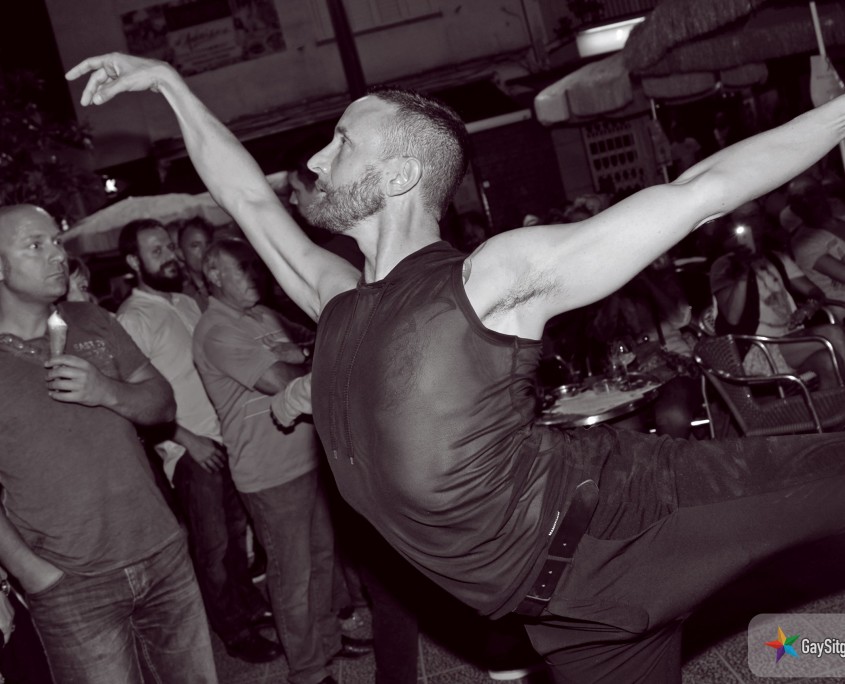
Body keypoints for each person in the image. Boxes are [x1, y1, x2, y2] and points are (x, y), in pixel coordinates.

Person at [67, 53, 845, 683]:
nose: (314, 159)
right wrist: (170, 86)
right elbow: (247, 199)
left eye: (341, 142)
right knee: (793, 649)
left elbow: (700, 192)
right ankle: (812, 652)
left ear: (399, 176)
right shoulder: (335, 299)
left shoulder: (486, 281)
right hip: (564, 613)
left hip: (632, 518)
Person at [0, 203, 217, 683]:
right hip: (72, 584)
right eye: (35, 245)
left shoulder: (93, 319)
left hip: (161, 552)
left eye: (57, 242)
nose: (57, 255)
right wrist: (32, 573)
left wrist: (105, 390)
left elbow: (162, 404)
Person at [192, 237, 371, 684]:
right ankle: (307, 671)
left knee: (321, 561)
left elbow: (315, 343)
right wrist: (301, 358)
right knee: (293, 575)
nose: (254, 274)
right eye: (242, 267)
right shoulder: (216, 329)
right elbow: (282, 379)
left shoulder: (262, 316)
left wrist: (304, 354)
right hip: (269, 473)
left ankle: (328, 642)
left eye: (254, 265)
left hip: (307, 456)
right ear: (213, 274)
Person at [115, 219, 280, 664]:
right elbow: (135, 399)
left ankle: (249, 607)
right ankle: (234, 630)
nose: (170, 256)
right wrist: (186, 440)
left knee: (237, 537)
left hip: (226, 438)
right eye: (156, 251)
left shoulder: (187, 302)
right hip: (189, 452)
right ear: (133, 261)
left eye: (168, 247)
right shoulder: (132, 318)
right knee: (213, 548)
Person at [709, 202, 845, 387]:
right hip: (758, 349)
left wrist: (810, 306)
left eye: (754, 215)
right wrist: (743, 270)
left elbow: (814, 292)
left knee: (828, 363)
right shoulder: (724, 265)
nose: (751, 222)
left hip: (792, 341)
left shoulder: (776, 258)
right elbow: (733, 317)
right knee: (832, 333)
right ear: (732, 226)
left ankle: (831, 405)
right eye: (743, 218)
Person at [174, 216, 214, 311]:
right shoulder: (183, 298)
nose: (205, 251)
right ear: (181, 254)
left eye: (208, 244)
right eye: (195, 246)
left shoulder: (228, 281)